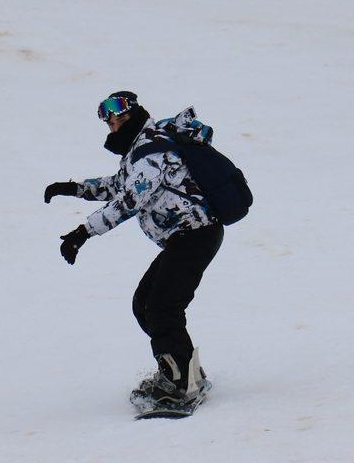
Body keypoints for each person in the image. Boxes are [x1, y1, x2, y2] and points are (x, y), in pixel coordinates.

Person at [44, 92, 224, 408]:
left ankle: (184, 384)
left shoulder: (151, 151)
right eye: (111, 124)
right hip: (184, 238)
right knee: (145, 303)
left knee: (161, 306)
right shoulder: (139, 151)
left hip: (196, 234)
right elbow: (119, 186)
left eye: (121, 121)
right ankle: (186, 371)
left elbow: (129, 201)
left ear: (136, 115)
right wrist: (73, 189)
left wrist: (83, 232)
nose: (115, 129)